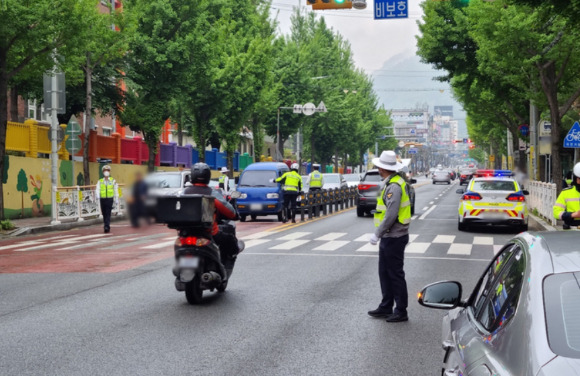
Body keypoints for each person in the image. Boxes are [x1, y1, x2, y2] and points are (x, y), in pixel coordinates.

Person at [367, 151, 411, 323]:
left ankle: (401, 310)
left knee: (395, 274)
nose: (378, 168)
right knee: (384, 273)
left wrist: (377, 234)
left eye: (379, 166)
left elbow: (391, 214)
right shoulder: (392, 182)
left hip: (395, 236)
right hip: (390, 236)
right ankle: (386, 306)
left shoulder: (394, 186)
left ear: (382, 168)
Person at [184, 163, 240, 276]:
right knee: (230, 241)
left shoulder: (184, 193)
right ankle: (224, 273)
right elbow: (229, 211)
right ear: (208, 177)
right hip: (209, 233)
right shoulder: (211, 194)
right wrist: (235, 215)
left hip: (185, 233)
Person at [553, 162, 580, 230]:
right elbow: (556, 212)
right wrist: (573, 214)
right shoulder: (566, 192)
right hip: (571, 230)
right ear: (575, 178)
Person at [95, 165, 118, 233]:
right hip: (102, 199)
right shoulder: (100, 181)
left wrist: (116, 198)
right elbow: (97, 189)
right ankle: (106, 224)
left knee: (108, 212)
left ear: (109, 172)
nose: (106, 172)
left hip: (109, 199)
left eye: (107, 171)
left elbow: (115, 189)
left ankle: (106, 226)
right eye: (105, 171)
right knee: (104, 213)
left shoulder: (113, 180)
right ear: (103, 172)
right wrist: (97, 196)